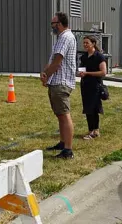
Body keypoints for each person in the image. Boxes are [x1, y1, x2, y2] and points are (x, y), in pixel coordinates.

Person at [40, 12, 77, 159]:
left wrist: (46, 75)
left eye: (53, 24)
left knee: (64, 114)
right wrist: (46, 73)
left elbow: (57, 61)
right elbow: (54, 59)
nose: (52, 27)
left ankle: (68, 150)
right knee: (60, 115)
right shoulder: (62, 38)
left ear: (59, 24)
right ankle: (63, 143)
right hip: (57, 82)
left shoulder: (65, 37)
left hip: (61, 82)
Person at [78, 35, 107, 140]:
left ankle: (95, 131)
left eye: (87, 43)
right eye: (84, 43)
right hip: (85, 85)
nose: (85, 45)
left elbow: (103, 72)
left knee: (94, 108)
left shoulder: (99, 56)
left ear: (93, 44)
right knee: (87, 108)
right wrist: (81, 73)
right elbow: (82, 69)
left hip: (95, 85)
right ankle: (91, 130)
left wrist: (87, 73)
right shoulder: (84, 56)